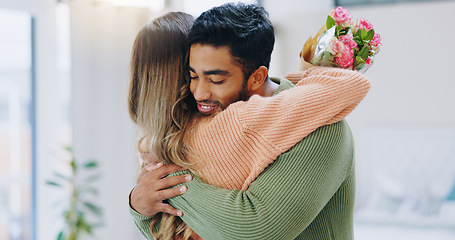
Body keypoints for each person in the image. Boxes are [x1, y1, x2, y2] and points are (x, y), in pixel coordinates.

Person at [129, 3, 370, 240]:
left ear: (256, 78)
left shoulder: (320, 128)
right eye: (192, 76)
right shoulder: (204, 126)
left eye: (216, 80)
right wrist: (140, 205)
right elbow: (171, 227)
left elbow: (256, 230)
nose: (200, 93)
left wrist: (168, 185)